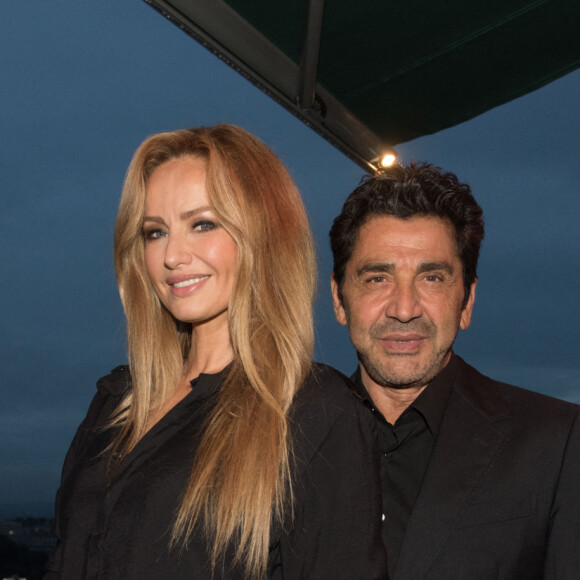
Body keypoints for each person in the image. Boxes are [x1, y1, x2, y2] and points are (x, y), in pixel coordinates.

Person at [45, 124, 386, 579]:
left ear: (263, 235)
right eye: (154, 232)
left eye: (202, 224)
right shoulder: (116, 401)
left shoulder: (314, 413)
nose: (172, 256)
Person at [329, 162, 580, 579]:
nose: (404, 308)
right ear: (339, 300)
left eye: (431, 278)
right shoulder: (288, 440)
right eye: (377, 278)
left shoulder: (556, 444)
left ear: (466, 302)